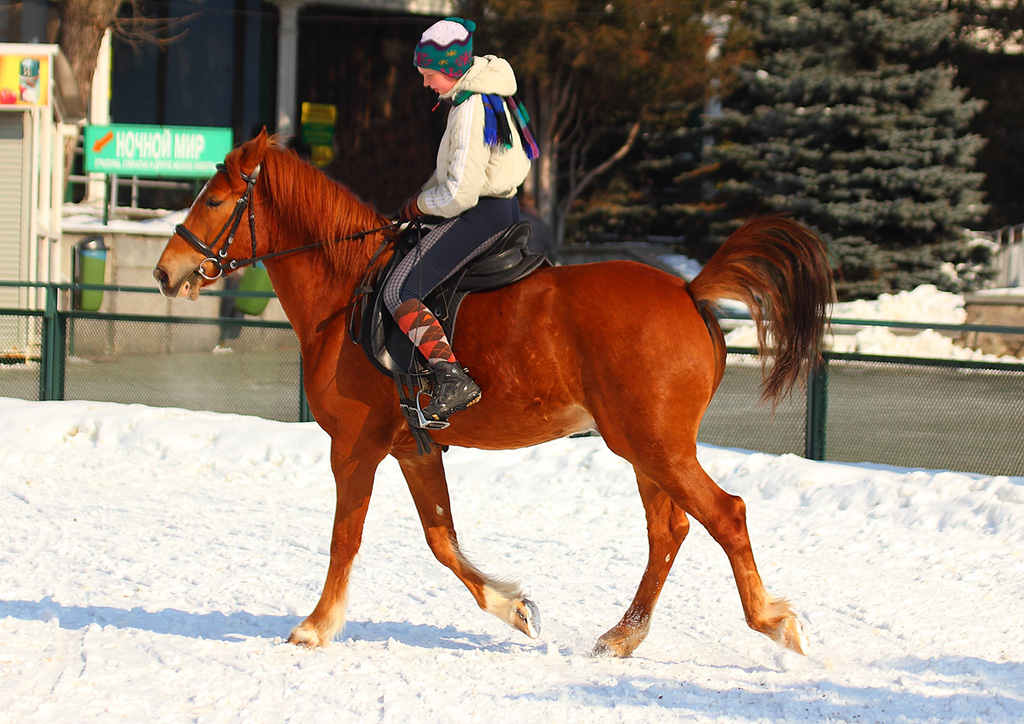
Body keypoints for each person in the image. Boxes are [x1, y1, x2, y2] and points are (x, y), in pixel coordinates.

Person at [383, 16, 537, 424]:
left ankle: (452, 378)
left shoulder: (470, 108)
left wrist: (418, 206)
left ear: (450, 69)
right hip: (500, 207)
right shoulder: (484, 92)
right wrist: (417, 203)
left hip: (480, 213)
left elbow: (458, 193)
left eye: (429, 74)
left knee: (398, 291)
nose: (425, 83)